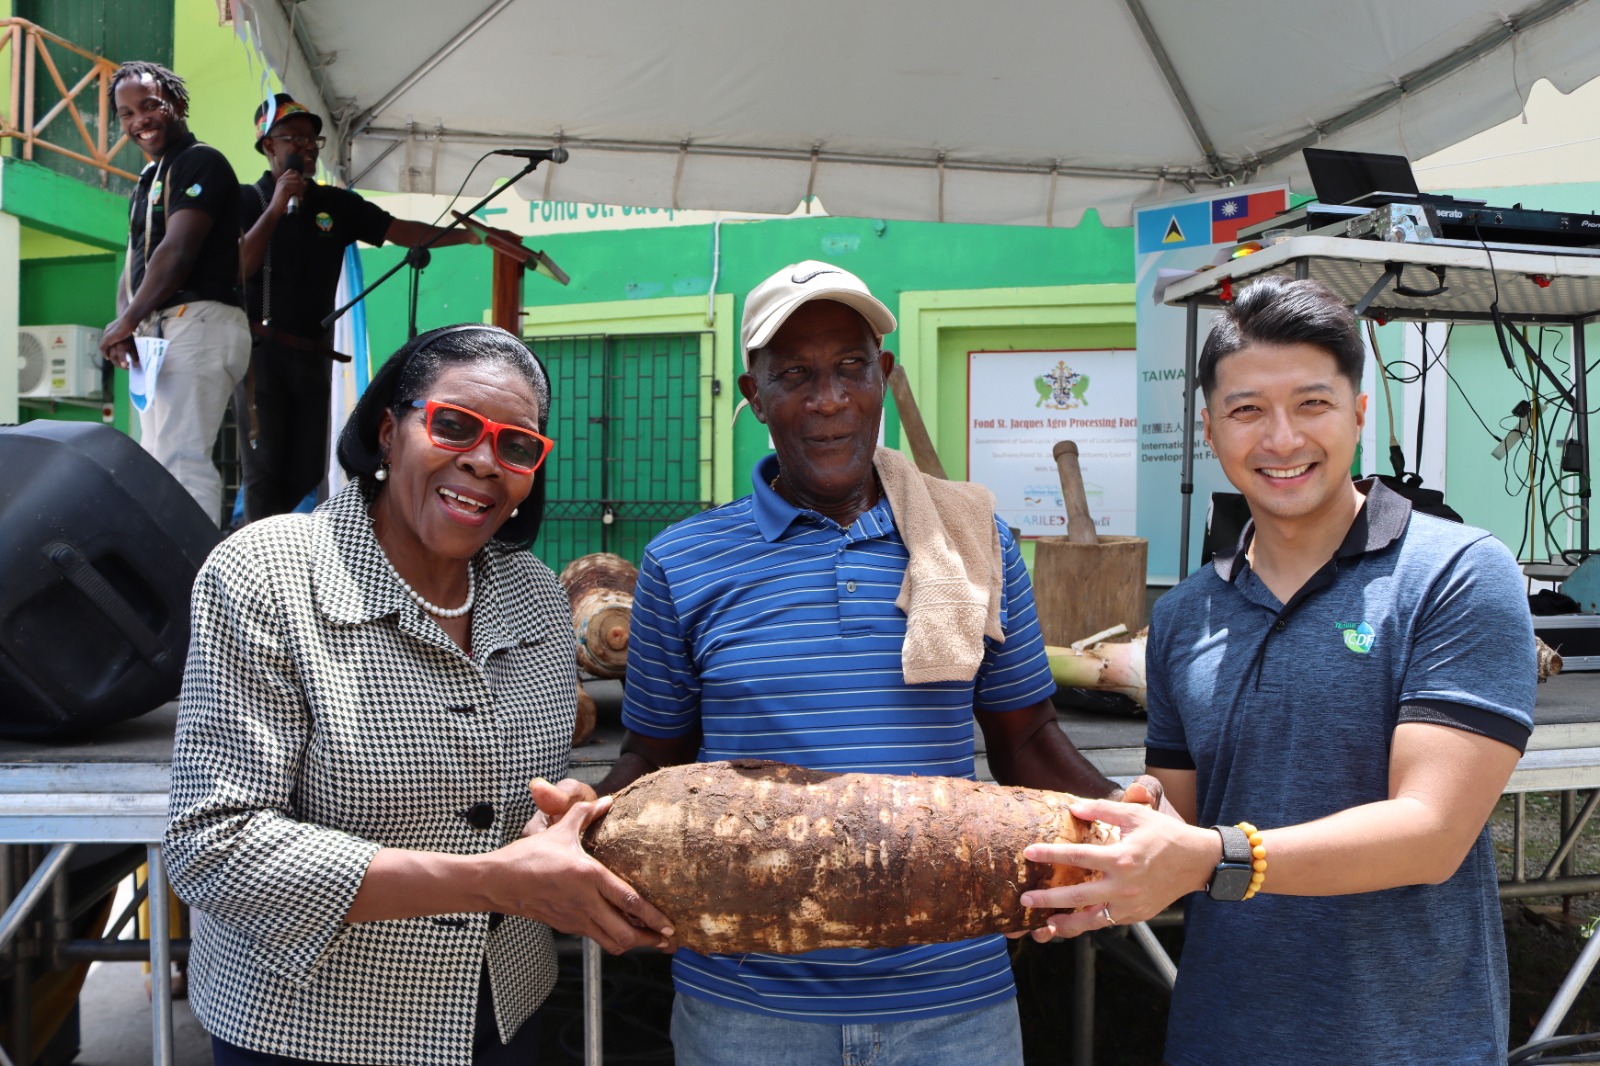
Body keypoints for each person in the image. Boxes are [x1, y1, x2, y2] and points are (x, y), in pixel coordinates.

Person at [582, 261, 1154, 1066]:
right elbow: (654, 756)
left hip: (954, 1005)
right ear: (754, 396)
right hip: (748, 1010)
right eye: (795, 376)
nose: (829, 400)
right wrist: (582, 821)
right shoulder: (685, 561)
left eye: (851, 367)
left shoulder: (974, 540)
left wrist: (1129, 818)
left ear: (883, 375)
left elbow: (1027, 740)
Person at [1020, 276, 1536, 1065]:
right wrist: (1114, 852)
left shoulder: (1456, 574)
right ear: (1210, 429)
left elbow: (1431, 833)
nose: (1282, 439)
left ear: (1359, 412)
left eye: (1312, 404)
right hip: (1222, 1038)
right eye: (1248, 410)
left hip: (1407, 1043)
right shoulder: (1187, 615)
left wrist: (1212, 855)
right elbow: (1181, 823)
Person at [163, 324, 673, 1066]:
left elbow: (507, 794)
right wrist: (491, 883)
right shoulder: (265, 575)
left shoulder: (533, 595)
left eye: (516, 446)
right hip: (312, 1029)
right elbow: (214, 846)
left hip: (502, 1013)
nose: (483, 461)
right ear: (387, 433)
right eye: (453, 426)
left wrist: (561, 818)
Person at [234, 94, 522, 524]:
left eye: (313, 139)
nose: (306, 147)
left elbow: (399, 230)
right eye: (294, 138)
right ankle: (254, 551)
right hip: (262, 353)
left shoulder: (335, 204)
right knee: (263, 469)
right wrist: (278, 205)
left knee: (309, 468)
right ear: (268, 145)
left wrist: (470, 236)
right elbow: (239, 266)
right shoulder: (246, 199)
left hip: (313, 356)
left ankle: (281, 537)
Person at [101, 61, 250, 527]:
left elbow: (177, 250)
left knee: (181, 462)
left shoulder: (201, 161)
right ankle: (171, 561)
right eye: (127, 114)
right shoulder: (150, 178)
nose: (139, 121)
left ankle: (194, 566)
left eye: (150, 105)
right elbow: (136, 262)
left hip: (198, 321)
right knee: (159, 460)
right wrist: (126, 324)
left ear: (178, 104)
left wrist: (127, 321)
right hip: (163, 329)